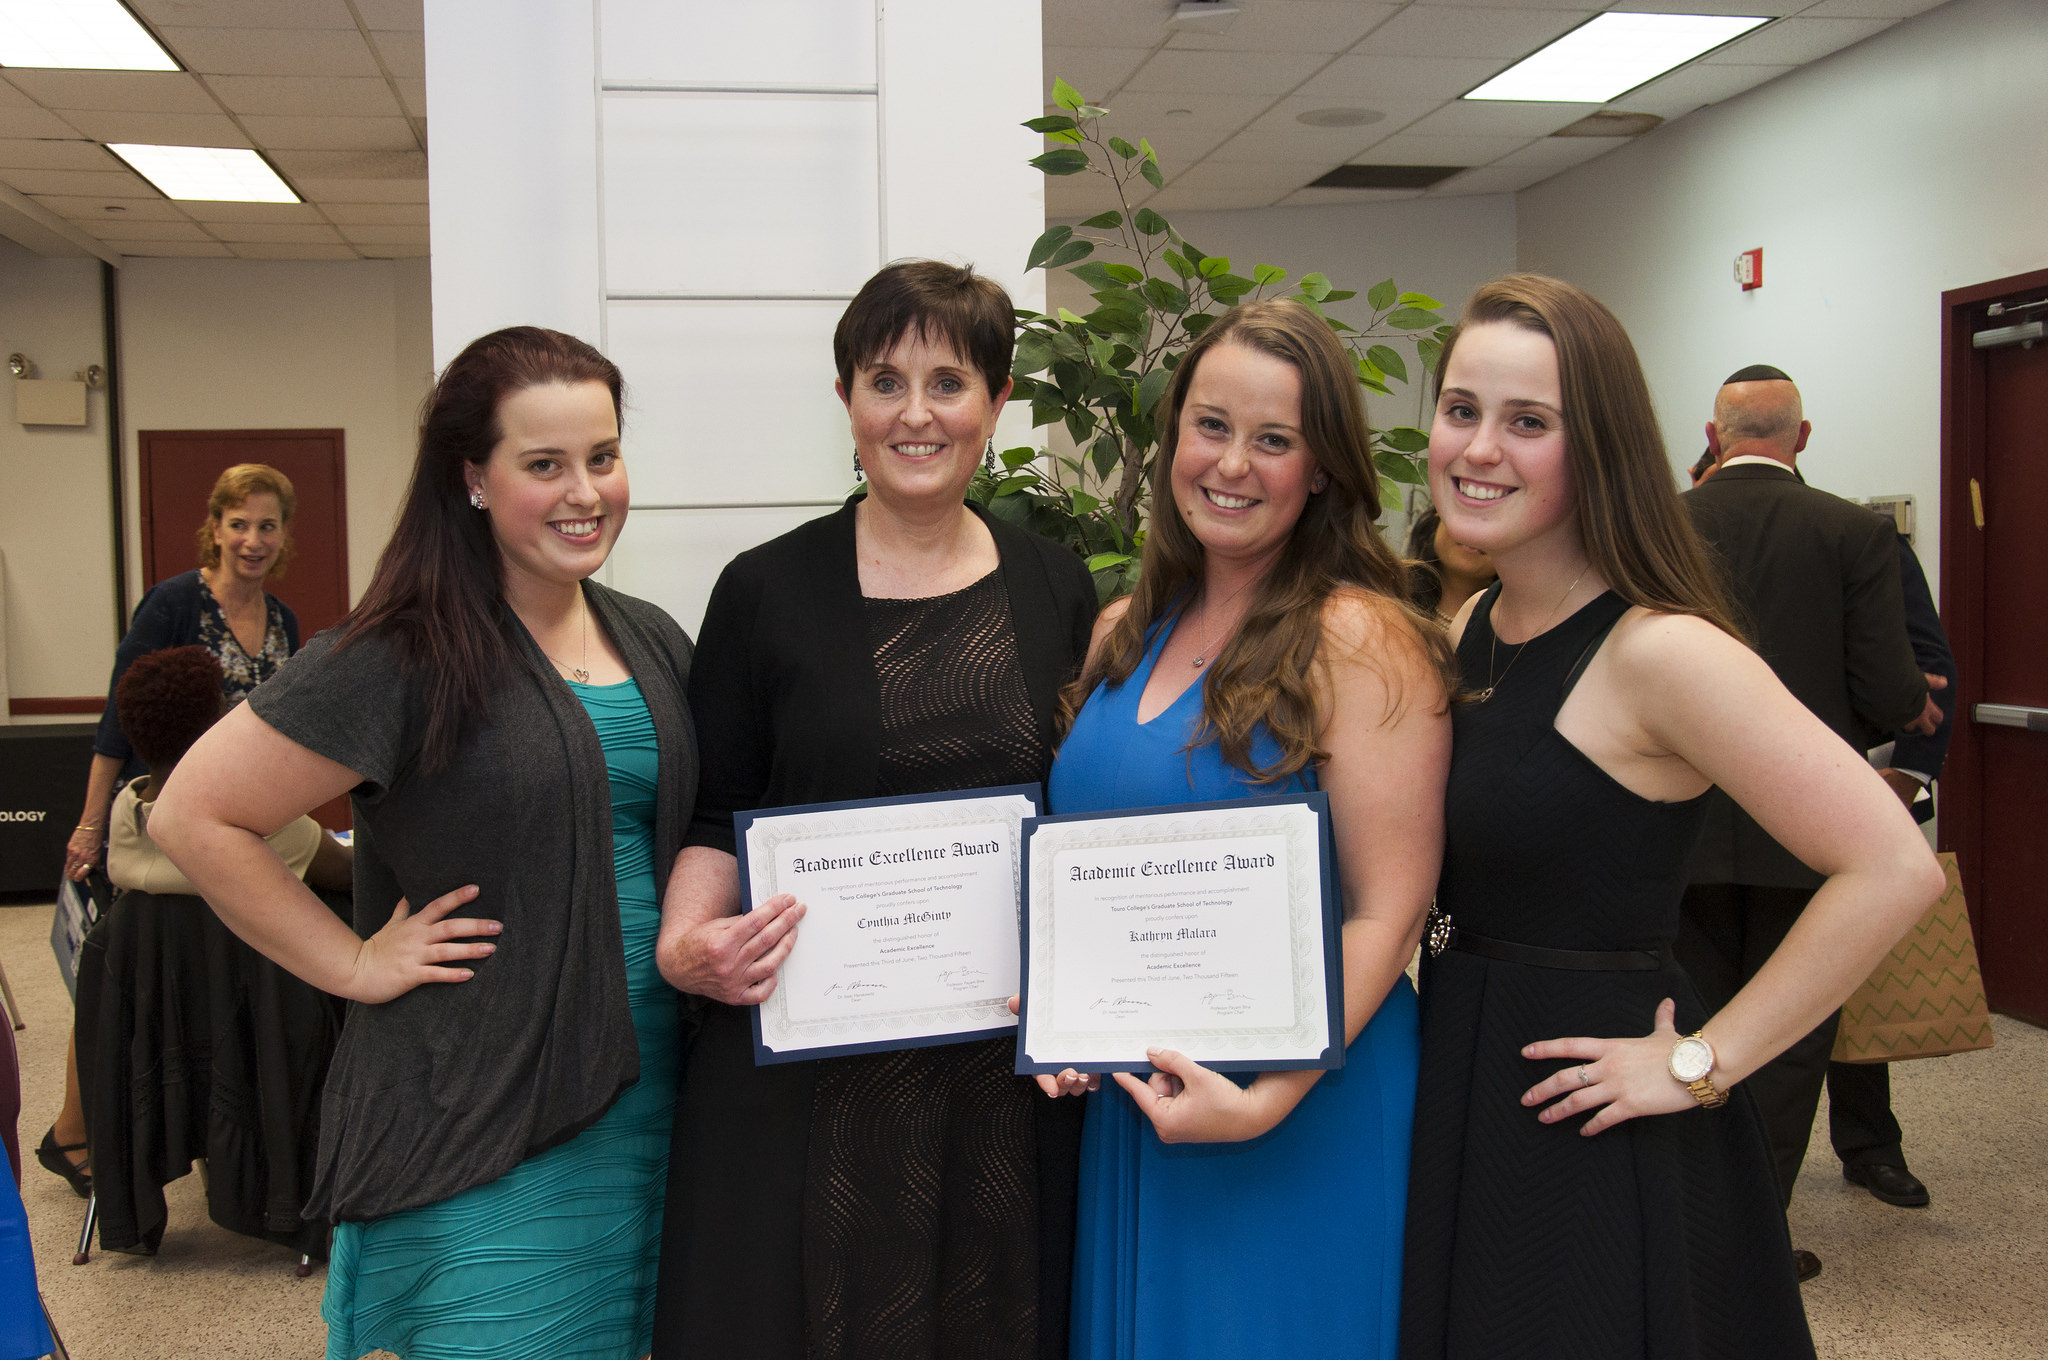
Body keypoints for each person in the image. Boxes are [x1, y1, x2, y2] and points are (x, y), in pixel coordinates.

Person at [1401, 276, 1943, 1358]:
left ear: (1595, 447)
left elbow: (1892, 867)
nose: (1477, 448)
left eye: (1526, 422)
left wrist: (1701, 1061)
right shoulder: (1471, 624)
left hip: (1590, 1104)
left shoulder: (1660, 649)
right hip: (1461, 1062)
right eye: (1460, 410)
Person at [150, 326, 697, 1360]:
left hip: (653, 1096)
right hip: (484, 1111)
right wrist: (350, 962)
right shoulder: (401, 651)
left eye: (602, 456)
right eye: (544, 465)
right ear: (474, 479)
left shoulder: (651, 635)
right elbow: (192, 814)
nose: (584, 491)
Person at [651, 260, 1098, 1360]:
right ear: (845, 400)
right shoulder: (765, 589)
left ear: (995, 404)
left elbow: (1080, 815)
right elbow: (721, 807)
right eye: (882, 380)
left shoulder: (1055, 585)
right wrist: (682, 943)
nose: (914, 413)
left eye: (947, 382)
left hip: (998, 1067)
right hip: (812, 1061)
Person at [1050, 298, 1454, 1360]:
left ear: (1320, 468)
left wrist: (1265, 1099)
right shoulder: (1121, 630)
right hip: (1146, 1107)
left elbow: (1390, 904)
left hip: (1297, 1108)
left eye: (1273, 440)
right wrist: (1056, 1015)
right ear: (1171, 435)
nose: (1231, 464)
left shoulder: (1358, 638)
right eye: (1210, 426)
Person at [1678, 364, 1935, 1281]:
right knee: (1784, 1043)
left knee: (1692, 1026)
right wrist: (1910, 709)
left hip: (1682, 826)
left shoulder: (1666, 523)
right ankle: (1755, 1236)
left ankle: (1683, 1221)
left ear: (1714, 435)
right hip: (1806, 829)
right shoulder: (1853, 531)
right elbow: (1886, 684)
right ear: (1804, 436)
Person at [41, 462, 303, 1200]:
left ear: (283, 535)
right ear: (214, 527)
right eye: (239, 523)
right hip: (164, 816)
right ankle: (74, 1130)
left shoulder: (281, 619)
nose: (252, 540)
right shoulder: (172, 605)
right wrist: (92, 826)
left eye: (267, 525)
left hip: (246, 822)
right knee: (120, 967)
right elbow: (118, 722)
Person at [1827, 528, 1956, 1209]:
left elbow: (1930, 663)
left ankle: (1870, 1145)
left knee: (1855, 982)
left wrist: (1903, 781)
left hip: (1848, 806)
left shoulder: (1866, 541)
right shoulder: (1686, 528)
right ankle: (1734, 1171)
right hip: (1713, 817)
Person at [103, 645, 351, 897]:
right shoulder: (258, 819)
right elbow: (346, 871)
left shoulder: (124, 813)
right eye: (224, 706)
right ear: (212, 728)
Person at [1405, 501, 1496, 619]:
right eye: (1465, 514)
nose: (1472, 532)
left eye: (1491, 523)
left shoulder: (1518, 626)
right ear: (1437, 516)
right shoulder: (1390, 592)